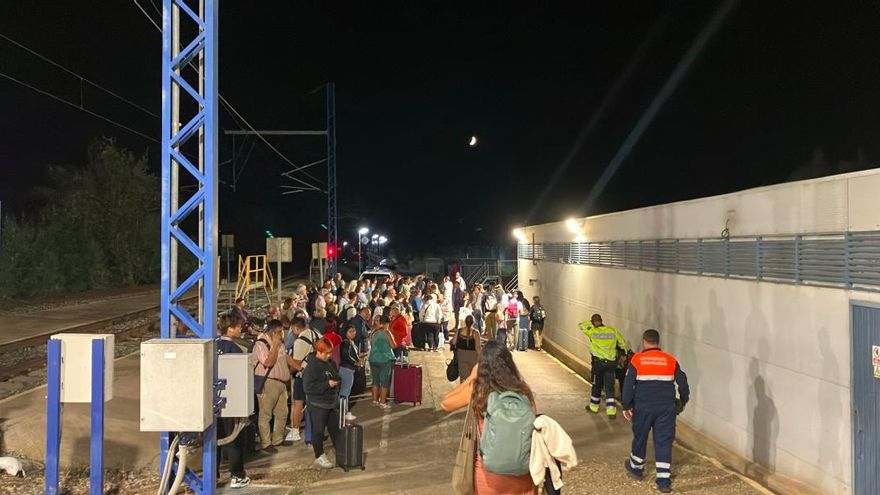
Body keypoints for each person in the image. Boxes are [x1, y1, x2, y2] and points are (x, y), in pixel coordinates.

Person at [441, 341, 538, 495]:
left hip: (489, 475)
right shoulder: (523, 390)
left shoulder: (480, 389)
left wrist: (471, 378)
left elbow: (445, 403)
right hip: (524, 473)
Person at [622, 329, 690, 493]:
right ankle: (664, 480)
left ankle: (637, 469)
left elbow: (628, 384)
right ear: (658, 342)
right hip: (666, 408)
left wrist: (626, 405)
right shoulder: (670, 360)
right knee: (664, 441)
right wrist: (682, 401)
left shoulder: (637, 360)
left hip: (643, 407)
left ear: (644, 341)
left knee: (640, 437)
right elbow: (683, 383)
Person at [217, 314, 251, 488]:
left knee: (214, 439)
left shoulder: (212, 346)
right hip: (231, 401)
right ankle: (237, 475)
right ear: (230, 328)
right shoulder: (235, 349)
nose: (240, 329)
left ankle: (213, 475)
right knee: (234, 439)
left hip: (211, 402)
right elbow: (240, 377)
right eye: (238, 327)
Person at [302, 337, 342, 469]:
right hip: (317, 404)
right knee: (318, 431)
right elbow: (308, 388)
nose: (329, 355)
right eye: (327, 353)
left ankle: (341, 454)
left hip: (331, 403)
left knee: (335, 430)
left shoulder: (330, 363)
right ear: (318, 351)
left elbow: (335, 375)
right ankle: (319, 455)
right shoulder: (311, 367)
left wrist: (336, 382)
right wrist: (327, 384)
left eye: (330, 352)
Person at [579, 313, 628, 417]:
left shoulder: (592, 331)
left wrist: (592, 323)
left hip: (598, 364)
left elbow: (581, 325)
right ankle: (611, 410)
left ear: (593, 322)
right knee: (610, 386)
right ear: (602, 321)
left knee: (597, 385)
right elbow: (622, 344)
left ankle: (594, 407)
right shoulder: (612, 331)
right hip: (611, 364)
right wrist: (624, 354)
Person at [253, 320, 291, 452]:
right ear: (272, 332)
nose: (282, 334)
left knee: (282, 412)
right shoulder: (261, 344)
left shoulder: (281, 343)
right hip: (268, 382)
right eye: (280, 332)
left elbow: (285, 357)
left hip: (281, 383)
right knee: (265, 413)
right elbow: (268, 362)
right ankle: (266, 442)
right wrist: (274, 345)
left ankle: (278, 439)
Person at [287, 316, 321, 442]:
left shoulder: (300, 341)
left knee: (298, 403)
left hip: (303, 376)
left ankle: (295, 431)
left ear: (296, 328)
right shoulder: (316, 334)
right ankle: (315, 429)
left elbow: (296, 363)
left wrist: (289, 372)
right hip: (316, 373)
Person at [368, 315, 397, 409]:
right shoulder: (386, 332)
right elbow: (393, 346)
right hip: (385, 360)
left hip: (373, 359)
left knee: (375, 381)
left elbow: (372, 345)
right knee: (384, 382)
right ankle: (382, 402)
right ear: (386, 323)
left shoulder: (373, 332)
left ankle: (374, 400)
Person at [339, 324, 367, 403]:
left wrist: (359, 357)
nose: (353, 333)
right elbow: (345, 355)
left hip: (348, 369)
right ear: (345, 333)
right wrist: (355, 363)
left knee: (346, 391)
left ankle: (344, 411)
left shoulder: (351, 342)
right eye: (350, 331)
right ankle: (343, 412)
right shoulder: (346, 342)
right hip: (346, 369)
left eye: (354, 331)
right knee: (345, 391)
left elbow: (349, 354)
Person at [450, 314, 481, 381]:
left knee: (463, 376)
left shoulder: (459, 331)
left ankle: (463, 389)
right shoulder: (475, 333)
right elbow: (477, 347)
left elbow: (453, 342)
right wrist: (480, 357)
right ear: (473, 322)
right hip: (473, 356)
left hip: (461, 354)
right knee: (473, 376)